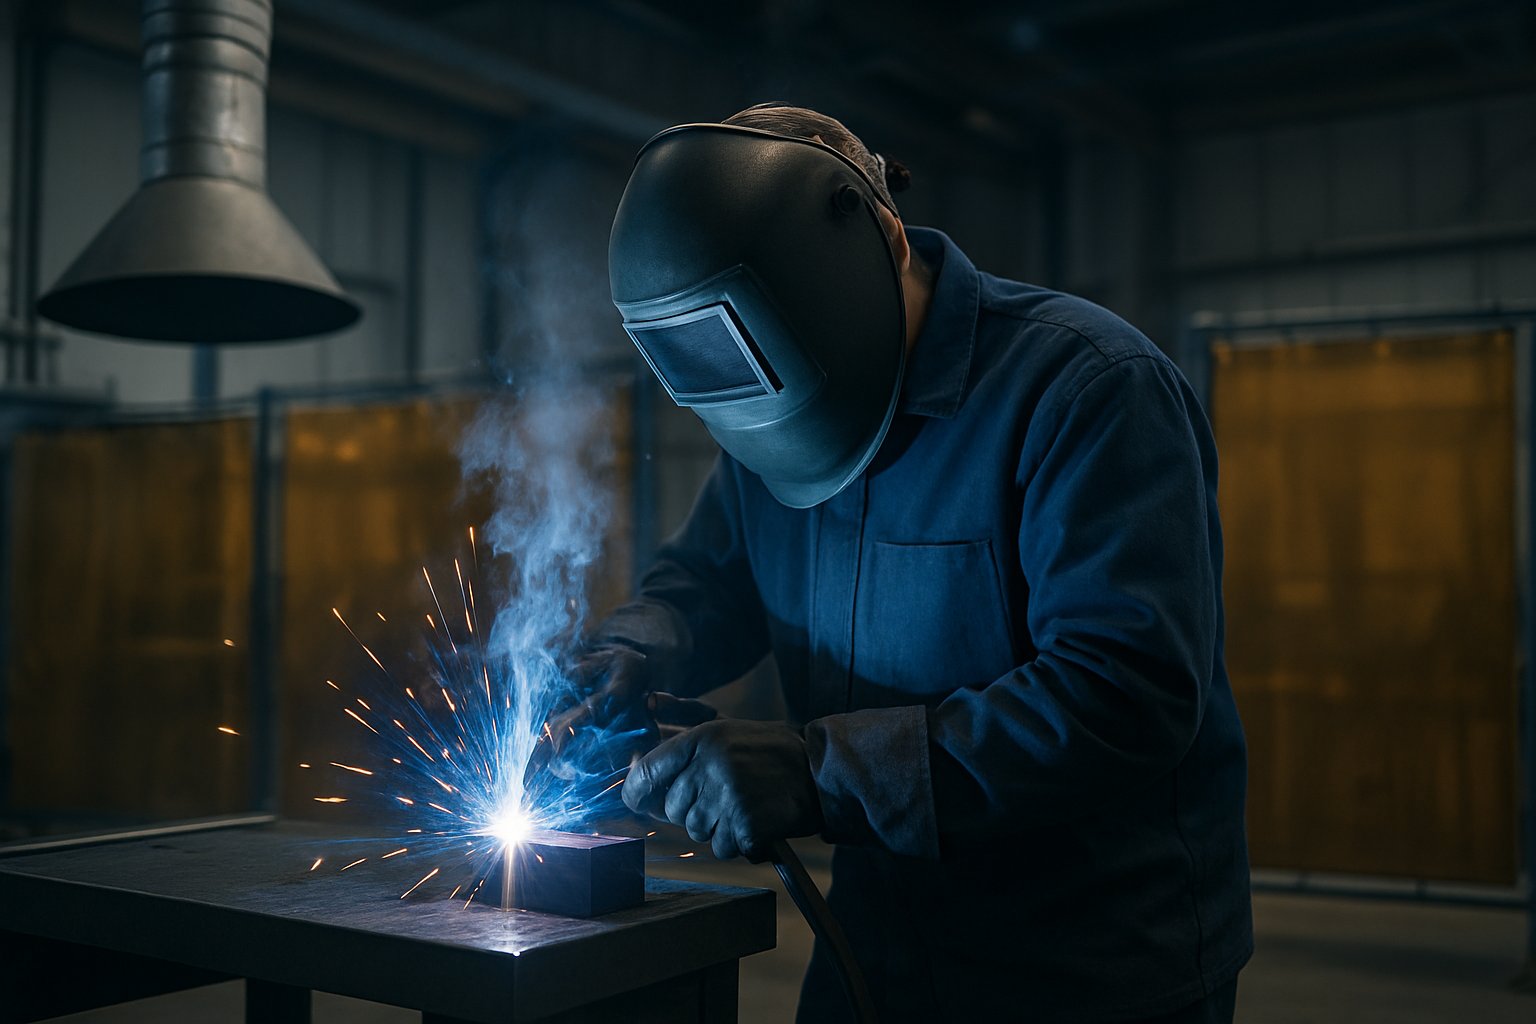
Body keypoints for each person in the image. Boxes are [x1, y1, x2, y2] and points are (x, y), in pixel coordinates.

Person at [583, 104, 1252, 1023]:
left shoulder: (1087, 389)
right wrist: (634, 646)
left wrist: (816, 774)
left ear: (887, 241)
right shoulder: (767, 420)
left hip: (1090, 968)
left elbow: (1124, 692)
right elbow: (709, 579)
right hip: (875, 944)